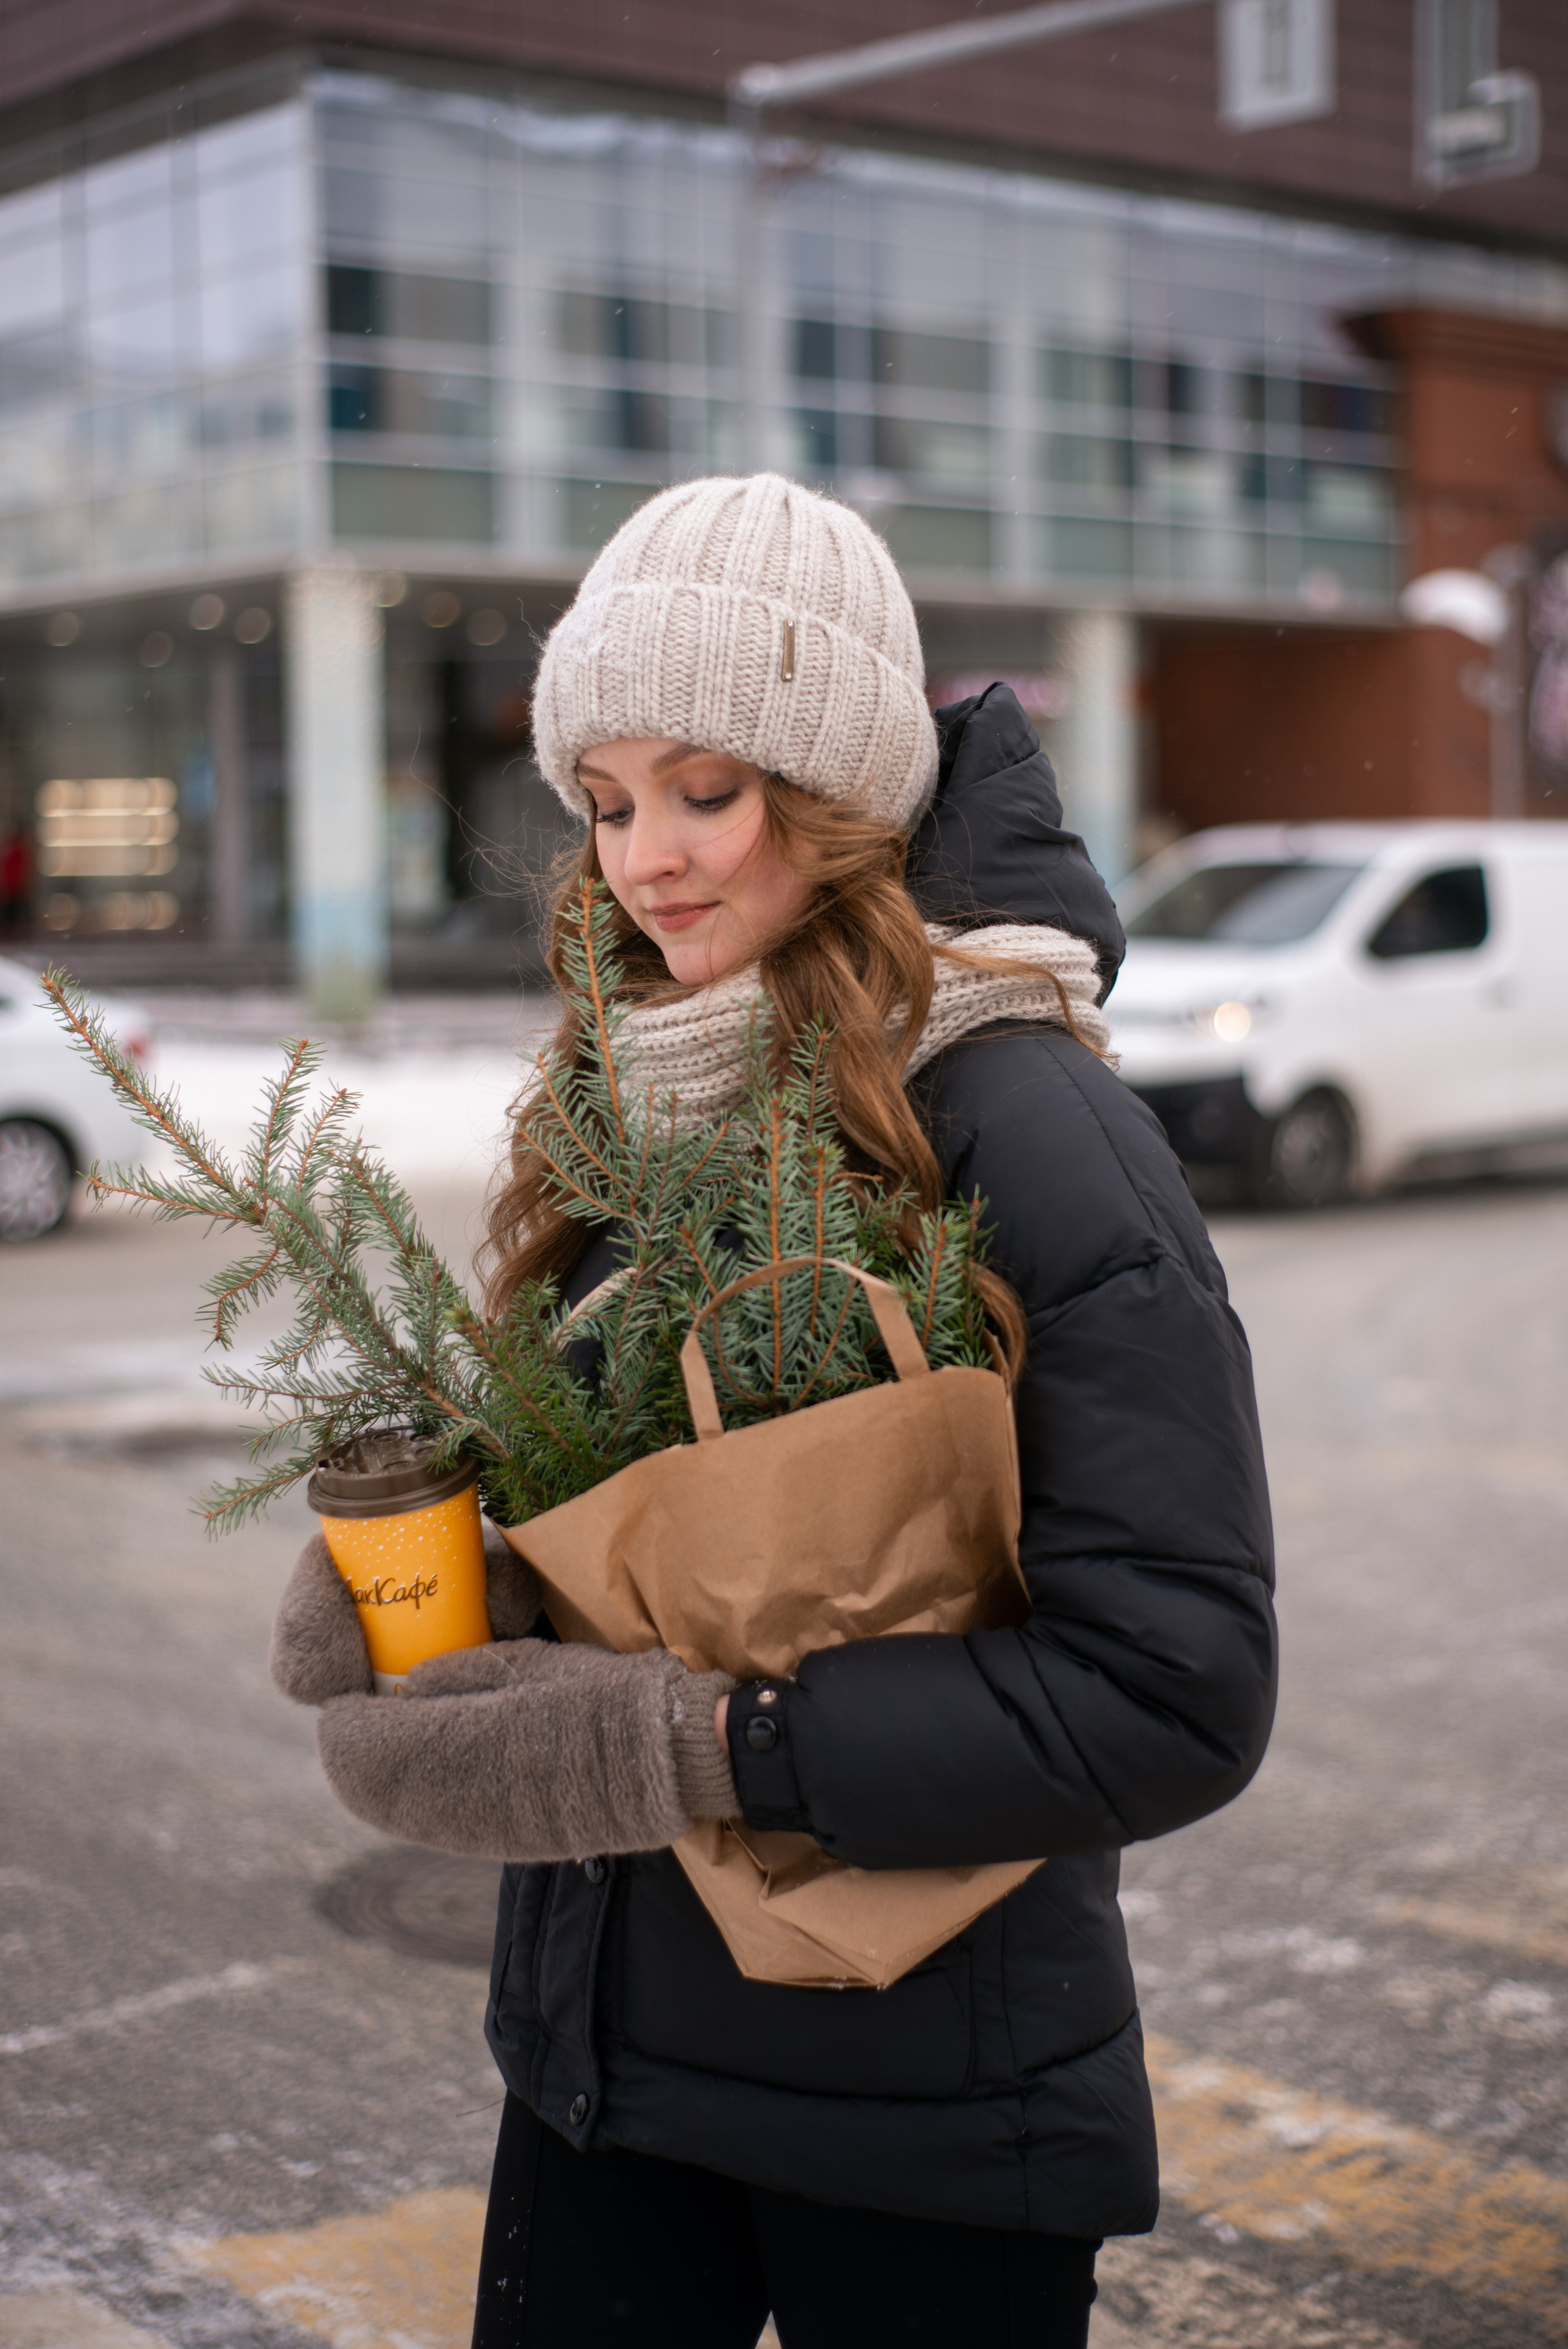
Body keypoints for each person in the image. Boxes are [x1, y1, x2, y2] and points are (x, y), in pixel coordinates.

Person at [271, 474, 1276, 2349]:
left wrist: (708, 1746)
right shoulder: (630, 1093)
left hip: (921, 2131)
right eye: (606, 799)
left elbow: (1175, 1684)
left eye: (705, 787)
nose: (644, 857)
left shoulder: (1031, 1128)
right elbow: (641, 1552)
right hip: (596, 2081)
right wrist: (451, 1595)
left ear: (841, 793)